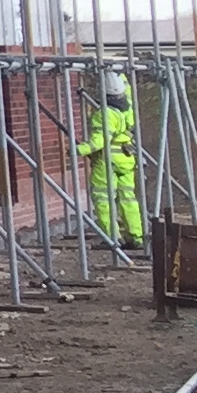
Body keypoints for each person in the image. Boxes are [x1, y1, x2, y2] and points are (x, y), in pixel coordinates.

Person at [80, 67, 145, 255]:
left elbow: (99, 141)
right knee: (128, 198)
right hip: (126, 159)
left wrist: (78, 150)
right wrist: (119, 73)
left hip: (107, 161)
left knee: (103, 199)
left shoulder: (106, 113)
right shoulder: (128, 108)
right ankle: (136, 236)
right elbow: (129, 91)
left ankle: (112, 238)